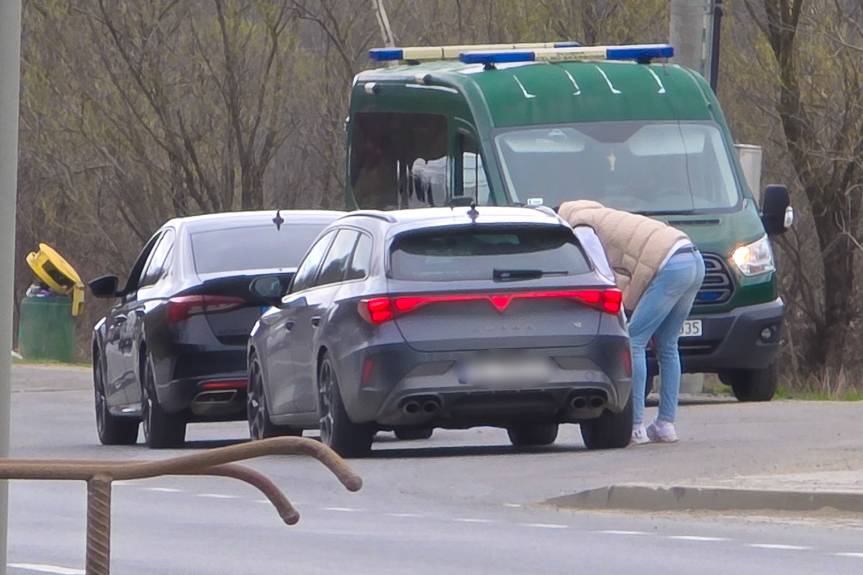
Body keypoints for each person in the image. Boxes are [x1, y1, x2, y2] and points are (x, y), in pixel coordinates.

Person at [558, 200, 705, 444]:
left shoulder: (581, 227)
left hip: (669, 264)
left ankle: (635, 425)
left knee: (634, 340)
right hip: (693, 258)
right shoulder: (605, 217)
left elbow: (600, 272)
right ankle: (666, 424)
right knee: (668, 344)